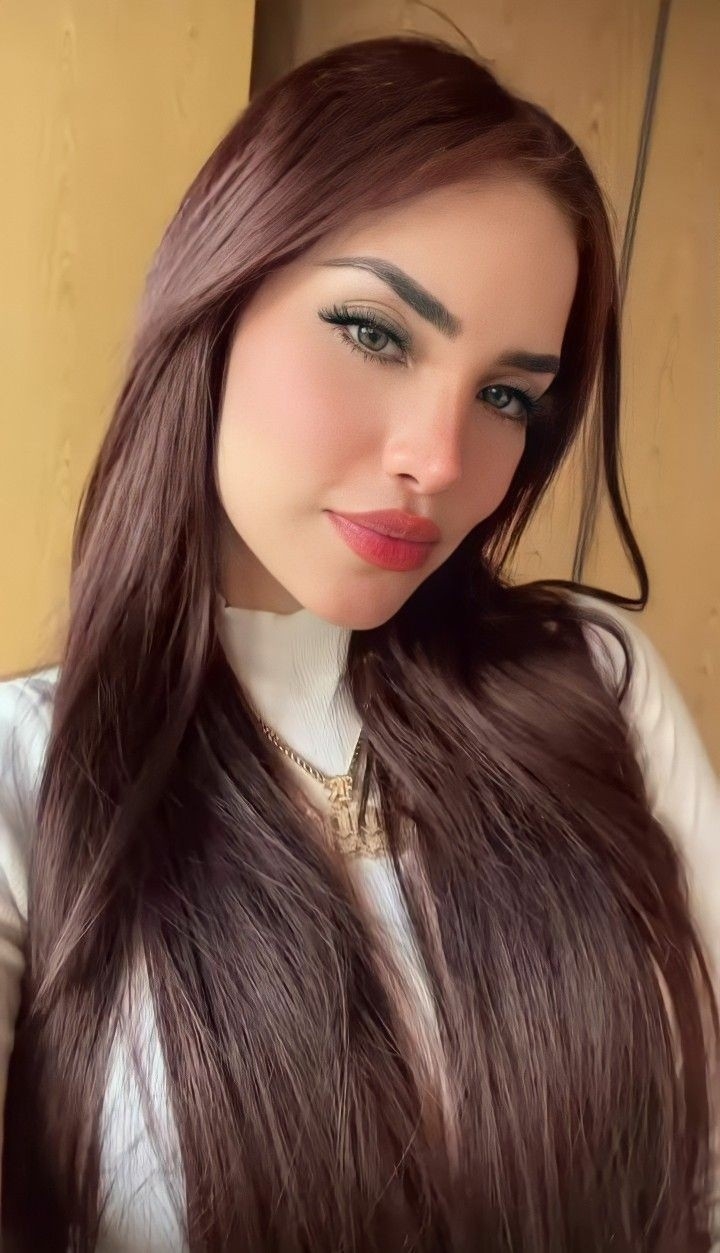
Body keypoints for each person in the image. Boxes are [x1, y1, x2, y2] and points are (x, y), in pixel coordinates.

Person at [0, 30, 718, 1253]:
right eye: (377, 334)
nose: (439, 460)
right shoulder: (33, 775)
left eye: (507, 396)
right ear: (216, 300)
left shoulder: (593, 685)